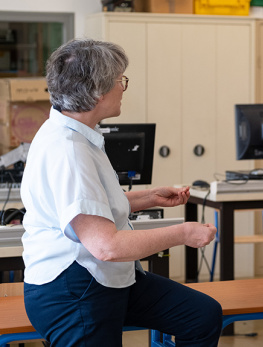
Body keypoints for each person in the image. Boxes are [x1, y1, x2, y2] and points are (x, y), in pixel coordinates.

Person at [20, 38, 222, 347]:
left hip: (104, 276)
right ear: (96, 91)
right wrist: (183, 233)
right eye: (119, 81)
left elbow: (86, 208)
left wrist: (148, 197)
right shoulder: (68, 150)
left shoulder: (76, 134)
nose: (123, 88)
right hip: (73, 290)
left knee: (201, 315)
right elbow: (106, 246)